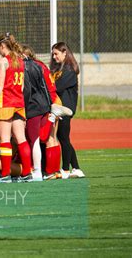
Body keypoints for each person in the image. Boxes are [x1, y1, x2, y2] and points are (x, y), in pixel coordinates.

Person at [22, 47, 72, 180]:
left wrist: (50, 104)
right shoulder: (41, 65)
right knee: (52, 138)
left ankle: (50, 171)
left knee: (47, 138)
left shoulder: (30, 66)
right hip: (53, 99)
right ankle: (54, 171)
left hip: (48, 101)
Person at [0, 33, 32, 183]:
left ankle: (5, 175)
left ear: (3, 46)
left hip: (6, 102)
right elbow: (21, 86)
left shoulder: (4, 61)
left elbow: (0, 84)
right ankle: (27, 173)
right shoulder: (20, 60)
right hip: (19, 103)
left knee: (5, 139)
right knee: (21, 138)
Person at [50, 42, 85, 178]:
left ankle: (65, 170)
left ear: (65, 53)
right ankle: (76, 168)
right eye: (53, 54)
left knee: (63, 138)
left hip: (66, 108)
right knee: (63, 137)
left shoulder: (69, 70)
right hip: (59, 107)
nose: (54, 57)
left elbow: (57, 87)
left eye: (56, 54)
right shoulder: (60, 69)